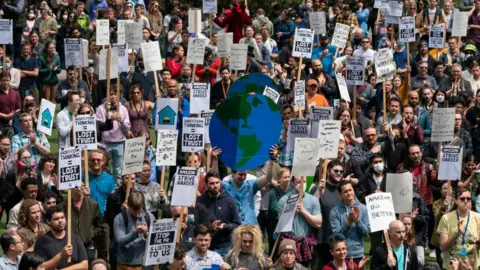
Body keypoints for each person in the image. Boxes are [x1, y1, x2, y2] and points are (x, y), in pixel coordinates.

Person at [221, 150, 275, 225]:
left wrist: (271, 161)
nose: (243, 177)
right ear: (233, 173)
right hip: (234, 226)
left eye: (245, 174)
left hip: (250, 225)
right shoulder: (226, 185)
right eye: (240, 174)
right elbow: (212, 178)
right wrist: (214, 160)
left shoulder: (251, 184)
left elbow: (268, 178)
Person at [197, 172, 241, 256]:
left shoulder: (229, 201)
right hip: (204, 247)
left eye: (217, 183)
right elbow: (195, 224)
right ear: (206, 185)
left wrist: (226, 226)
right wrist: (211, 227)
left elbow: (237, 223)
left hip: (224, 247)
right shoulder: (199, 202)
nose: (215, 186)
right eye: (212, 183)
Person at [437, 188, 480, 270]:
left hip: (471, 265)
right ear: (455, 200)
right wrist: (458, 233)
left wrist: (477, 241)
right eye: (462, 198)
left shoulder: (478, 217)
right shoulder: (446, 218)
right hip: (451, 266)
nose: (466, 201)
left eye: (468, 199)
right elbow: (443, 247)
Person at [34, 205, 88, 269]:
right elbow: (41, 267)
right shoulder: (42, 242)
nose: (60, 221)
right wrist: (61, 255)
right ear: (48, 221)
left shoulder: (75, 238)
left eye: (62, 217)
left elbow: (85, 265)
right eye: (56, 219)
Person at [96, 87, 131, 182]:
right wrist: (110, 118)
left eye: (115, 94)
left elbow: (127, 127)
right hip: (105, 143)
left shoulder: (123, 109)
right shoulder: (101, 108)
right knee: (103, 167)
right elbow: (99, 126)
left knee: (118, 170)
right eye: (111, 94)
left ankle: (117, 188)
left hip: (119, 142)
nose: (113, 96)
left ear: (120, 96)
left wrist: (121, 121)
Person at [65, 183, 105, 264]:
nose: (79, 189)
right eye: (76, 187)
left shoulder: (92, 204)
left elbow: (100, 226)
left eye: (81, 186)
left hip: (88, 248)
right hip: (70, 249)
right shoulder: (64, 206)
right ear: (70, 188)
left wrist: (90, 234)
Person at [330, 180, 370, 262]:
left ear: (353, 190)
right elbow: (337, 236)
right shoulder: (335, 211)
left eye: (350, 190)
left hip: (359, 255)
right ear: (340, 194)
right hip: (341, 255)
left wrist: (357, 220)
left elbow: (366, 233)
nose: (349, 193)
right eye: (345, 191)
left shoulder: (364, 208)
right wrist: (348, 223)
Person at [114, 192, 154, 270]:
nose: (136, 214)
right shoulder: (120, 218)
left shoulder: (149, 217)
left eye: (138, 211)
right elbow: (120, 240)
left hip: (145, 264)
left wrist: (146, 233)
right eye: (134, 211)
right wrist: (135, 232)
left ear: (142, 206)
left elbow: (155, 240)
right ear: (128, 206)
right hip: (126, 264)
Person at [0, 71, 21, 137]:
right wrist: (6, 116)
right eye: (3, 80)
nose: (5, 82)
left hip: (13, 123)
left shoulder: (15, 93)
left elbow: (18, 109)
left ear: (10, 80)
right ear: (0, 80)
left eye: (7, 80)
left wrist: (13, 118)